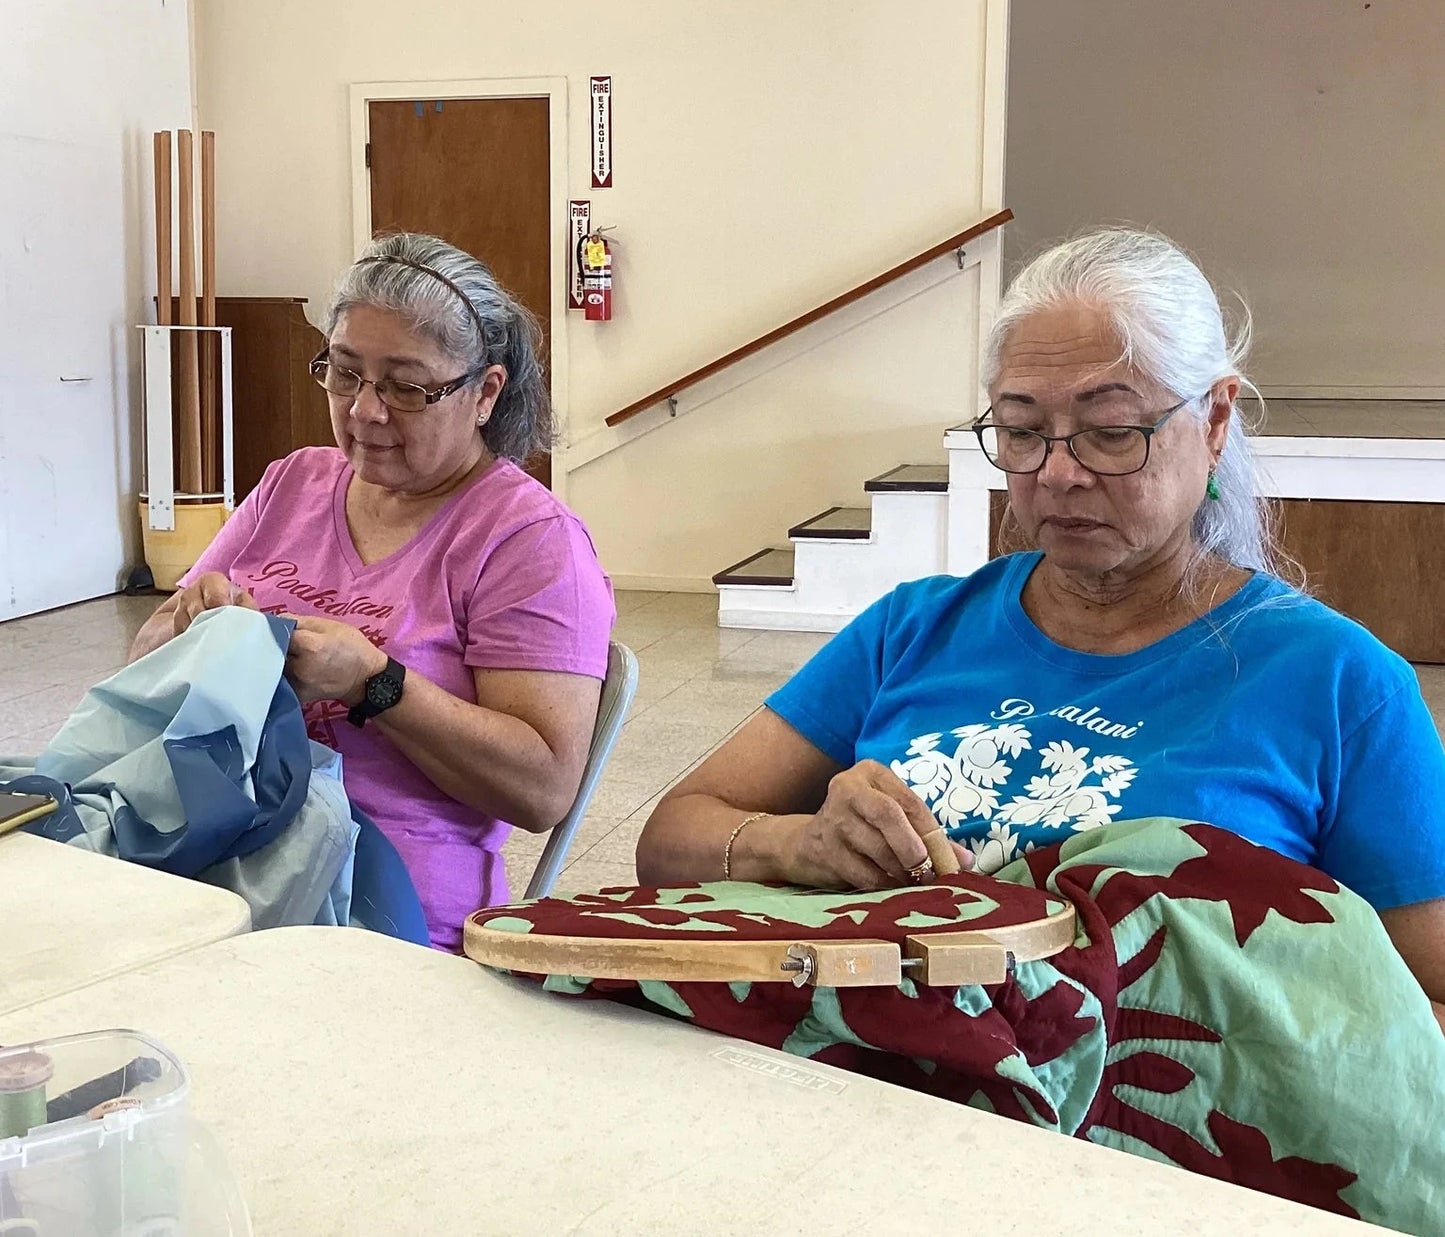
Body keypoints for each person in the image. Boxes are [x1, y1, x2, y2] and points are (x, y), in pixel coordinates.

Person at [637, 227, 1445, 1030]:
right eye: (1022, 431)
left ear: (1214, 420)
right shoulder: (914, 629)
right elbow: (672, 837)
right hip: (868, 1094)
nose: (1056, 472)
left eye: (1111, 431)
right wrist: (794, 843)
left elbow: (1426, 1010)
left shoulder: (1340, 685)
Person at [131, 233, 615, 950]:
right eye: (345, 374)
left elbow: (542, 786)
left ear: (484, 392)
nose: (364, 411)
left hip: (380, 902)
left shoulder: (527, 540)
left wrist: (375, 684)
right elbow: (140, 664)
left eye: (406, 387)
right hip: (219, 848)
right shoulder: (292, 482)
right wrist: (193, 627)